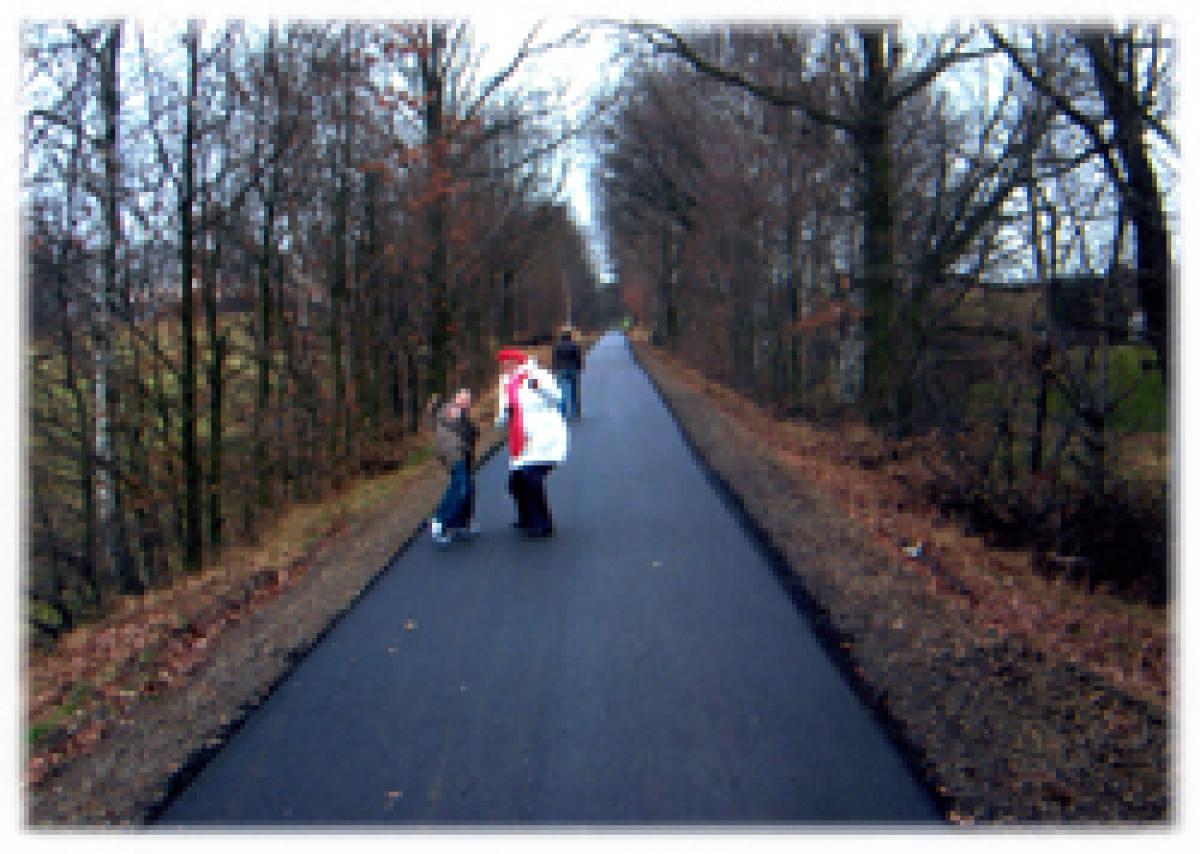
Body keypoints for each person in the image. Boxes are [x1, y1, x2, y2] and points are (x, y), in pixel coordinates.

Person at [496, 349, 568, 538]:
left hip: (544, 435)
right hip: (520, 438)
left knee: (530, 477)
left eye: (510, 363)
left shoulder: (537, 376)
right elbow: (505, 409)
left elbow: (557, 397)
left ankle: (543, 523)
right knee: (516, 482)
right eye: (504, 364)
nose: (507, 366)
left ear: (518, 362)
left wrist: (539, 387)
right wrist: (502, 417)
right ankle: (526, 517)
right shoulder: (506, 382)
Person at [429, 388, 479, 545]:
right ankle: (439, 520)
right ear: (456, 398)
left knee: (467, 486)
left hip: (457, 452)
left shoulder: (457, 413)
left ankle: (461, 523)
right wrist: (470, 429)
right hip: (453, 452)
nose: (466, 403)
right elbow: (460, 427)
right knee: (460, 487)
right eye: (463, 399)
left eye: (468, 401)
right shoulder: (452, 410)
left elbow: (468, 432)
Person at [551, 327, 584, 420]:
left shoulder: (557, 346)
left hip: (561, 370)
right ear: (570, 336)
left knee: (562, 391)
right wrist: (579, 368)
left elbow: (554, 359)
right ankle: (575, 412)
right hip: (573, 369)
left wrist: (555, 369)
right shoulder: (575, 346)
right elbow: (578, 359)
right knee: (574, 392)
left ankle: (562, 412)